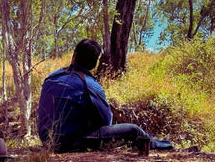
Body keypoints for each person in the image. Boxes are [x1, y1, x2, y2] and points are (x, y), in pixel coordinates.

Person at [37, 39, 173, 154]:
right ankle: (157, 145)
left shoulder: (52, 77)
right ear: (94, 63)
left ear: (74, 55)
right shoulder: (90, 84)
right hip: (70, 143)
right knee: (133, 130)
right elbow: (107, 121)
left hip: (46, 140)